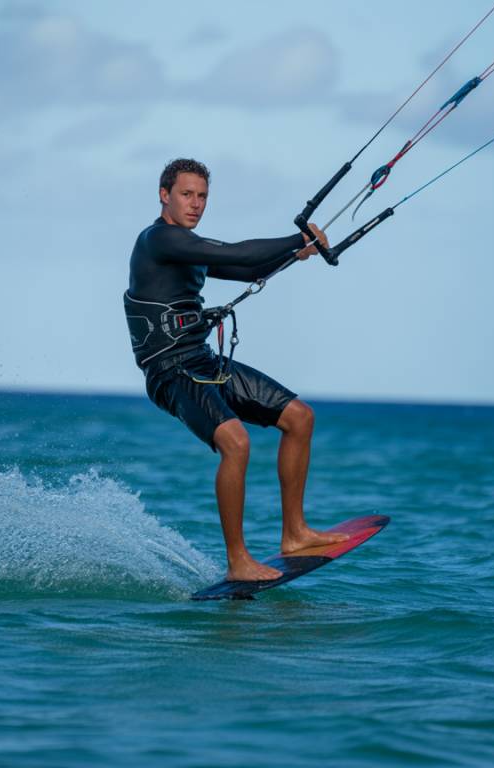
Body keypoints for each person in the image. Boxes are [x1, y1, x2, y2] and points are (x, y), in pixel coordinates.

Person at [124, 158, 348, 582]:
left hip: (202, 360)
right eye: (186, 194)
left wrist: (294, 254)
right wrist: (295, 237)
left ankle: (296, 533)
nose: (195, 204)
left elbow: (245, 267)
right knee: (236, 442)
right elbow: (232, 251)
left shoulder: (186, 248)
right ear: (164, 195)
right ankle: (238, 561)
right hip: (171, 372)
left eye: (202, 196)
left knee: (299, 417)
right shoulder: (159, 241)